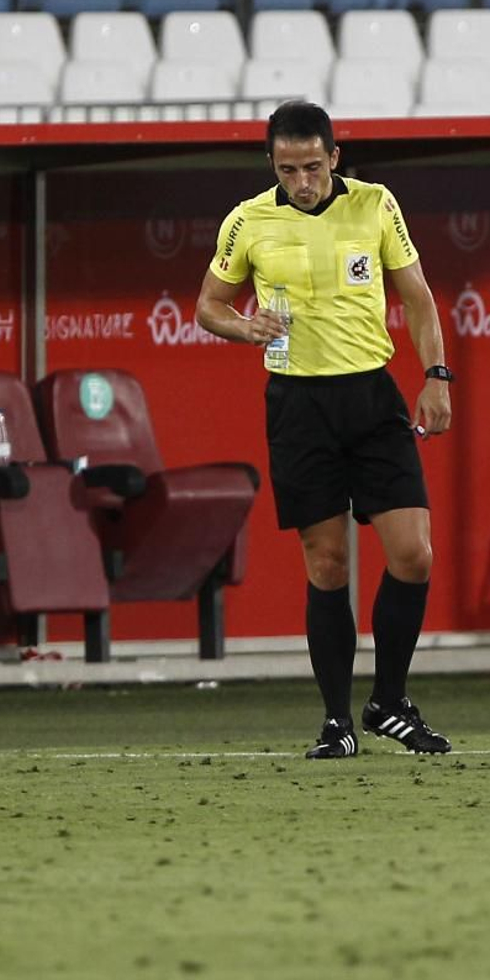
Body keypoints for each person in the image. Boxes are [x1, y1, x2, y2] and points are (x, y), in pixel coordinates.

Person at [195, 100, 453, 758]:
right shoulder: (248, 220)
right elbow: (208, 306)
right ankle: (338, 722)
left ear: (334, 158)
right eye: (288, 169)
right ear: (272, 164)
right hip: (298, 405)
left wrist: (436, 373)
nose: (302, 181)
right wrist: (242, 327)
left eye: (312, 166)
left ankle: (389, 700)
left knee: (414, 552)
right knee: (328, 562)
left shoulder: (374, 204)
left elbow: (418, 294)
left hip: (371, 396)